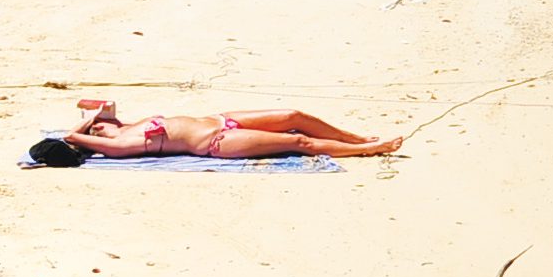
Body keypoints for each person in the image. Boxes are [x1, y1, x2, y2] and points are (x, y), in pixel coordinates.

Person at [38, 99, 400, 162]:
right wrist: (86, 126)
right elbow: (70, 136)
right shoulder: (121, 144)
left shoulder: (123, 127)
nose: (109, 120)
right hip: (217, 141)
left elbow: (106, 107)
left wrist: (97, 114)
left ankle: (351, 136)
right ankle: (369, 150)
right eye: (100, 125)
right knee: (298, 141)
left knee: (294, 114)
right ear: (96, 136)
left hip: (223, 120)